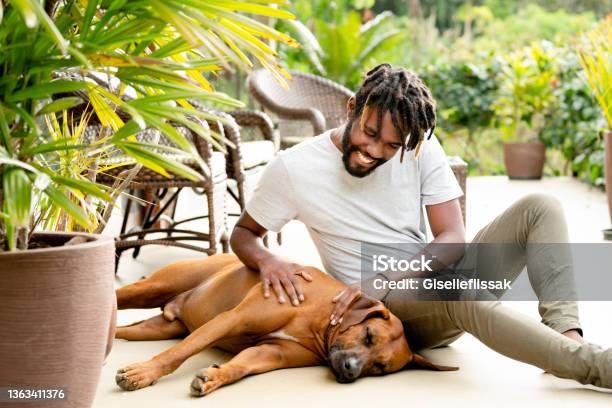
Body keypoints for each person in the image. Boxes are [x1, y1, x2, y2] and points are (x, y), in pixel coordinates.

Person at [230, 63, 612, 388]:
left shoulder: (420, 144)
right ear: (351, 109)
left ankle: (566, 340)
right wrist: (266, 260)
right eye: (371, 133)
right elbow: (244, 234)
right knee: (459, 292)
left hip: (428, 274)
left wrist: (389, 274)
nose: (375, 151)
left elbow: (452, 238)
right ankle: (595, 366)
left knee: (539, 206)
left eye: (392, 146)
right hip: (386, 310)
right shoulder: (294, 168)